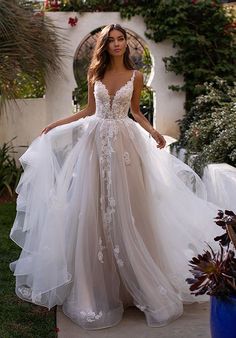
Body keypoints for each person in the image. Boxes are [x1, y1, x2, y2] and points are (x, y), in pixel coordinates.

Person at [9, 24, 221, 330]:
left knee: (130, 208)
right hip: (94, 146)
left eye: (121, 39)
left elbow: (135, 111)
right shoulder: (94, 73)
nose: (118, 44)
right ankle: (95, 287)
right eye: (112, 40)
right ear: (105, 45)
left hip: (125, 146)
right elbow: (88, 110)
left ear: (127, 44)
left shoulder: (135, 77)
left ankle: (135, 285)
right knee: (93, 209)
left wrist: (153, 132)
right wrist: (56, 123)